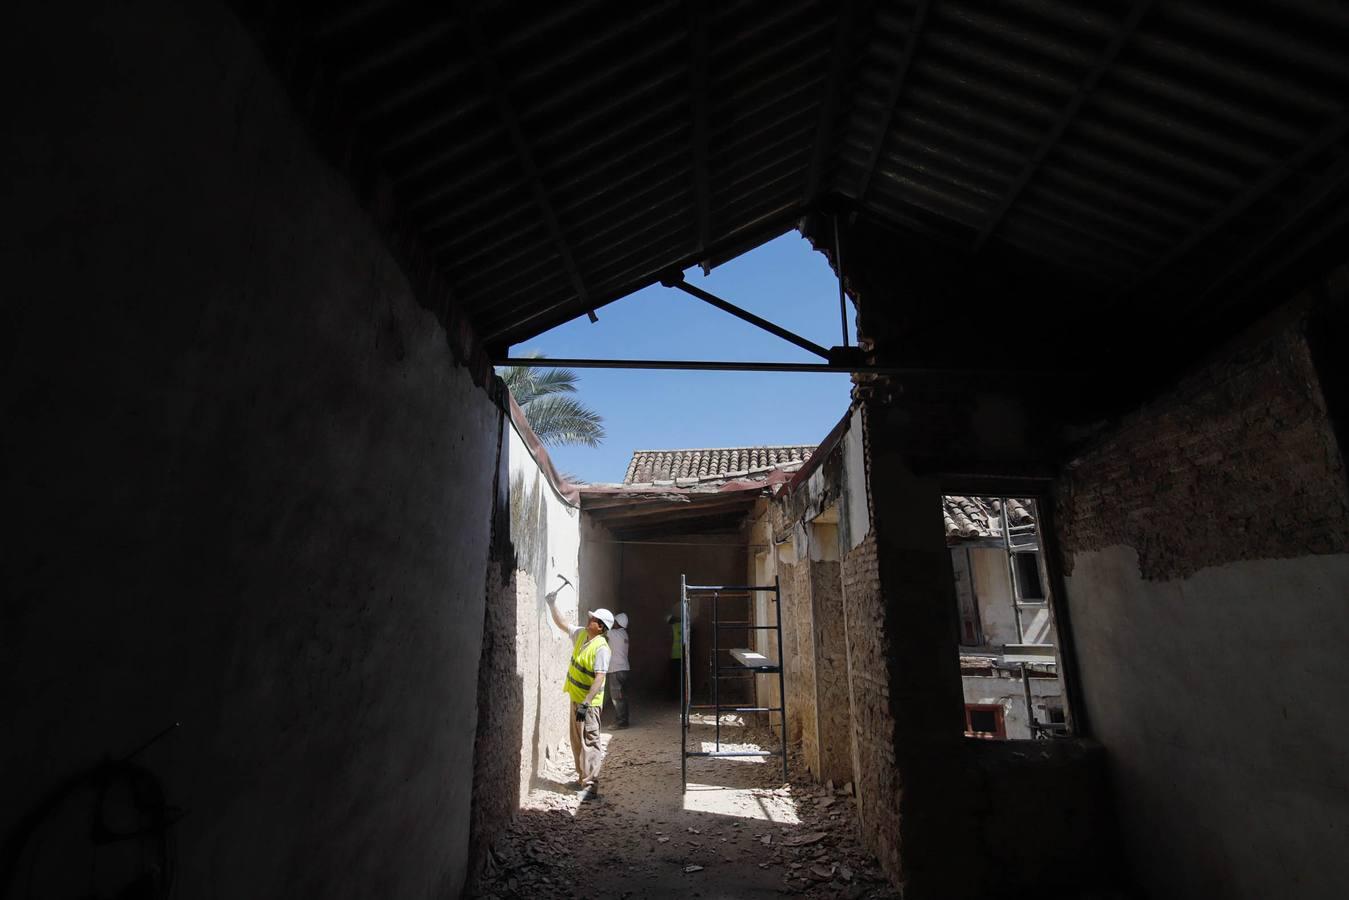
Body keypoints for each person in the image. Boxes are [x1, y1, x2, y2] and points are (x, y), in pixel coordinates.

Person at [545, 591, 614, 797]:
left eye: (592, 619)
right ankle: (581, 779)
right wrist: (552, 604)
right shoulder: (583, 634)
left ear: (600, 626)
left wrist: (586, 702)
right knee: (577, 741)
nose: (588, 619)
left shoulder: (601, 648)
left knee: (590, 741)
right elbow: (563, 624)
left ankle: (591, 787)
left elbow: (599, 678)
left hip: (589, 704)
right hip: (576, 699)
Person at [607, 613, 631, 728]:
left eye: (614, 621)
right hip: (624, 668)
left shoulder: (614, 634)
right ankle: (624, 720)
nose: (613, 623)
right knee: (622, 696)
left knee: (617, 697)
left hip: (616, 669)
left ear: (618, 623)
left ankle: (621, 722)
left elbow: (602, 629)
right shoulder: (624, 634)